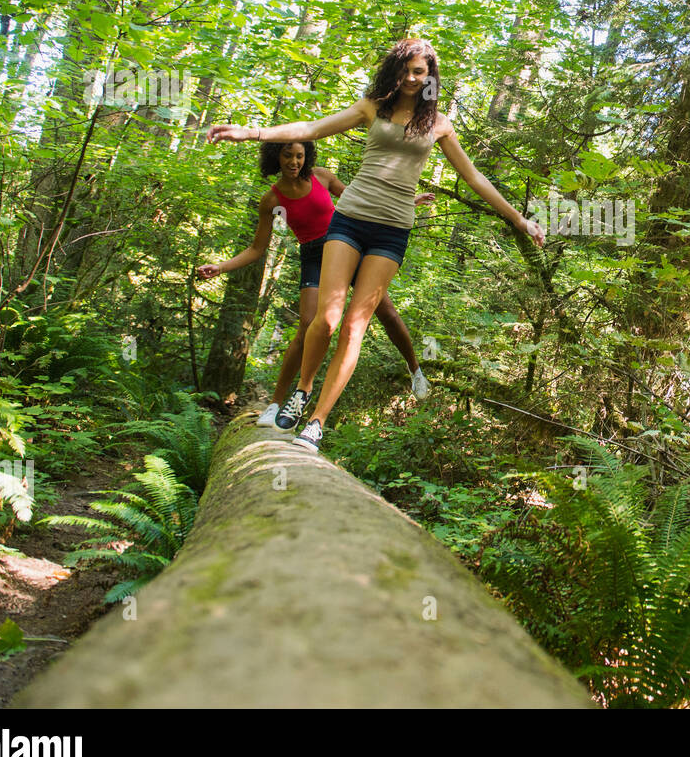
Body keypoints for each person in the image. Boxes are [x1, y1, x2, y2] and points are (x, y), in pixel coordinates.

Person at [207, 37, 546, 451]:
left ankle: (317, 421)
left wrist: (520, 220)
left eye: (419, 72)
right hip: (349, 220)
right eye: (405, 69)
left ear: (430, 77)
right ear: (394, 70)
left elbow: (474, 179)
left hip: (392, 230)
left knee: (355, 326)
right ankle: (302, 391)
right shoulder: (373, 107)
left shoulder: (438, 123)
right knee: (327, 319)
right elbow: (313, 128)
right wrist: (253, 133)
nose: (410, 78)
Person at [196, 139, 433, 428]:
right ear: (276, 157)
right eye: (287, 156)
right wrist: (219, 267)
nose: (294, 162)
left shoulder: (322, 176)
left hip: (347, 246)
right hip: (313, 255)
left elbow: (361, 203)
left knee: (387, 314)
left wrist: (407, 201)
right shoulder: (271, 200)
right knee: (309, 324)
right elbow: (257, 249)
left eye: (299, 156)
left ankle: (415, 369)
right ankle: (275, 404)